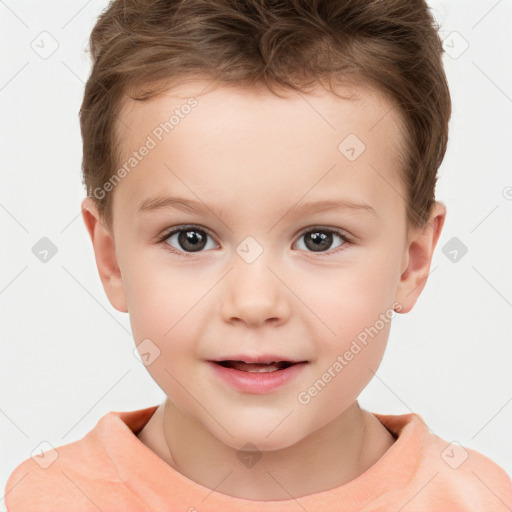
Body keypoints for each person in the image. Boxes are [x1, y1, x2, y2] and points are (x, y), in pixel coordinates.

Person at [4, 0, 512, 510]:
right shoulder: (52, 499)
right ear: (111, 259)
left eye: (320, 239)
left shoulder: (476, 500)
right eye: (191, 238)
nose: (253, 302)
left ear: (412, 262)